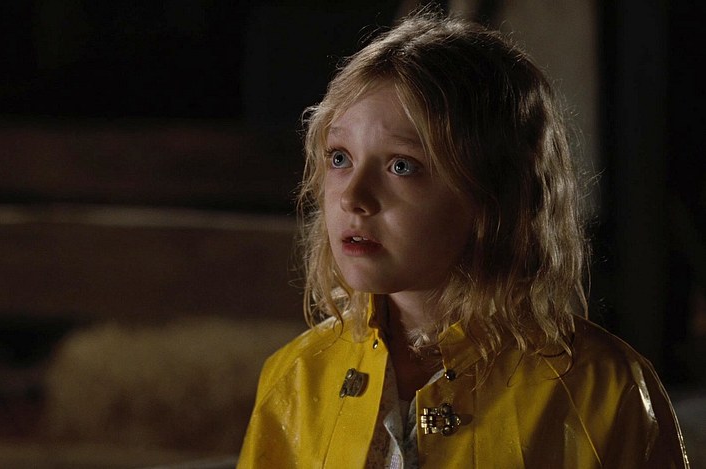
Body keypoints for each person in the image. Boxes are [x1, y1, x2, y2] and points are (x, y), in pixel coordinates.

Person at [237, 7, 689, 469]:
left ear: (494, 194)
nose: (353, 197)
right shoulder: (296, 377)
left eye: (401, 166)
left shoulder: (601, 390)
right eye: (339, 158)